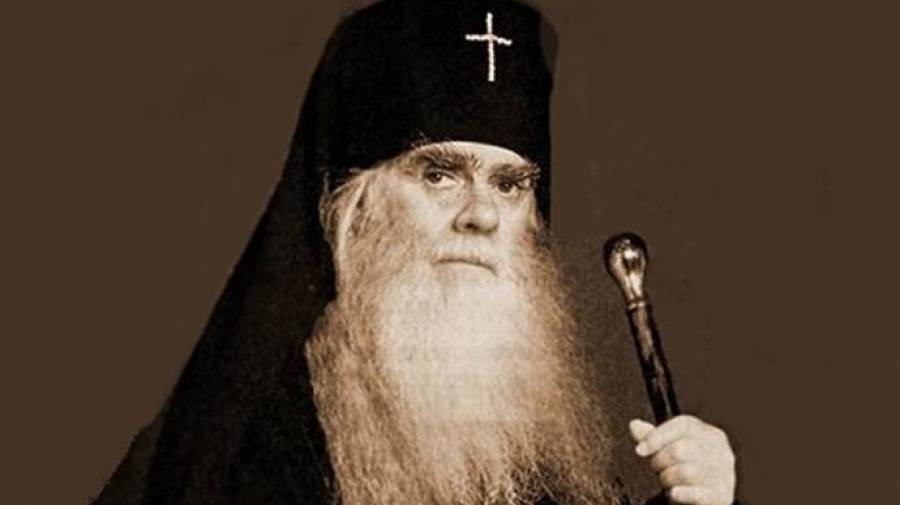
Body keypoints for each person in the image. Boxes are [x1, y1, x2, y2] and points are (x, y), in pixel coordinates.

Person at [94, 1, 736, 504]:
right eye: (439, 175)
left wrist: (700, 499)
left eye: (509, 185)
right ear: (358, 204)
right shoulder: (247, 439)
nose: (482, 214)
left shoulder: (529, 436)